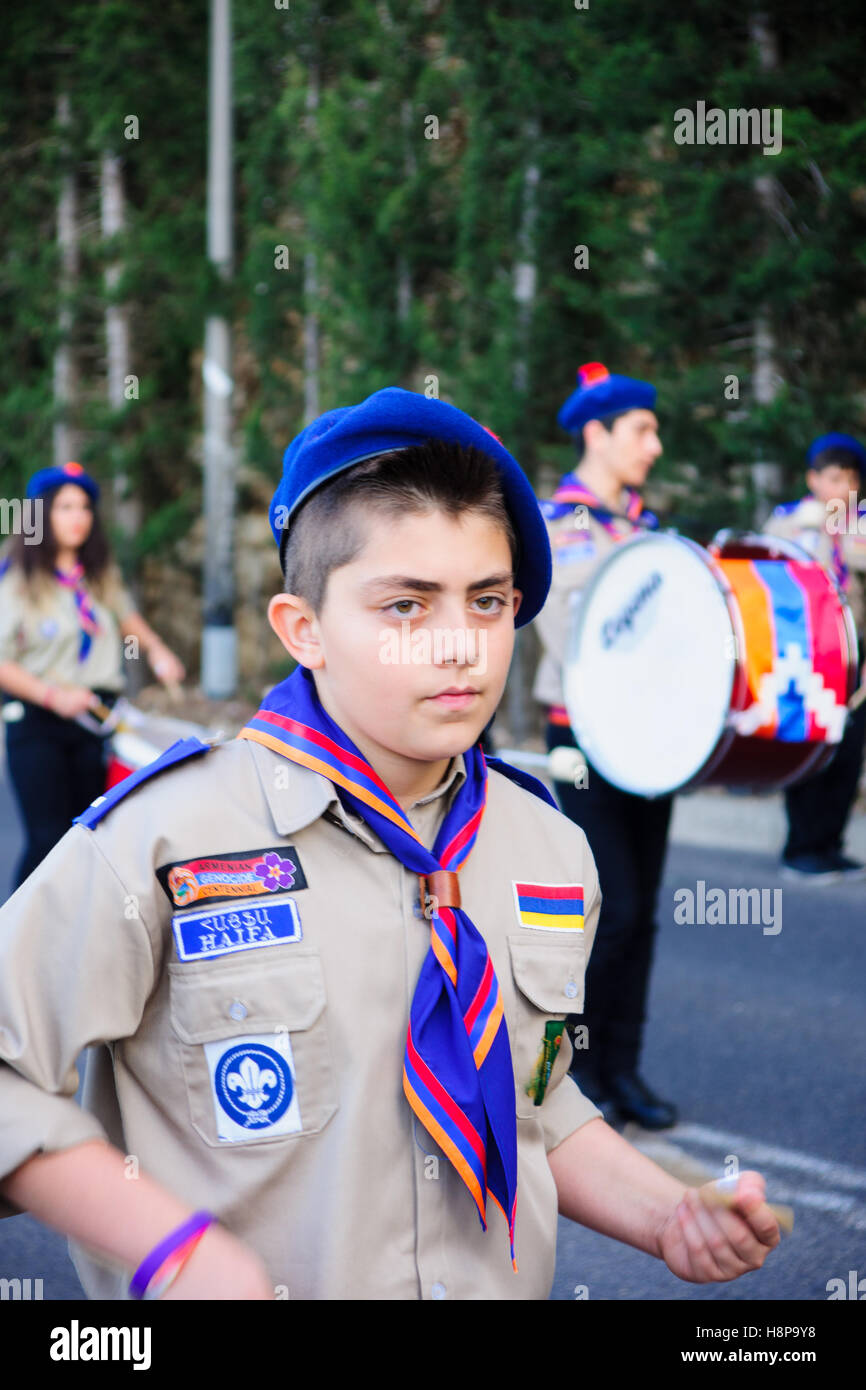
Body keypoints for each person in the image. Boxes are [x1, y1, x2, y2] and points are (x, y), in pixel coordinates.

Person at [0, 390, 780, 1301]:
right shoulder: (164, 841)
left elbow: (532, 1096)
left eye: (487, 601)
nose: (460, 647)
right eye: (406, 605)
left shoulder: (546, 848)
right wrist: (176, 1250)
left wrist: (666, 1212)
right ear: (304, 630)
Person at [532, 362, 678, 1131]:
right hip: (586, 735)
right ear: (598, 431)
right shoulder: (567, 522)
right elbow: (569, 631)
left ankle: (624, 1070)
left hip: (656, 740)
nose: (653, 445)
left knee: (644, 910)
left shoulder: (647, 532)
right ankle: (579, 1075)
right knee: (610, 908)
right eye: (641, 430)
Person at [0, 459, 185, 887]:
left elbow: (126, 618)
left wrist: (157, 651)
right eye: (64, 507)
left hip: (94, 719)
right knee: (47, 839)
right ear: (39, 515)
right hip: (38, 720)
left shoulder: (97, 575)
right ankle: (18, 943)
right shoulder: (18, 577)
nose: (77, 517)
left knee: (86, 836)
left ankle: (76, 944)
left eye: (84, 507)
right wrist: (52, 696)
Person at [764, 432, 866, 881]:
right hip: (806, 653)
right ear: (812, 479)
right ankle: (800, 847)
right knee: (811, 750)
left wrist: (847, 533)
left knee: (848, 752)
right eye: (831, 477)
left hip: (854, 656)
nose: (840, 488)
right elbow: (771, 567)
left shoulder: (860, 524)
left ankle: (829, 845)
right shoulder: (788, 521)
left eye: (849, 479)